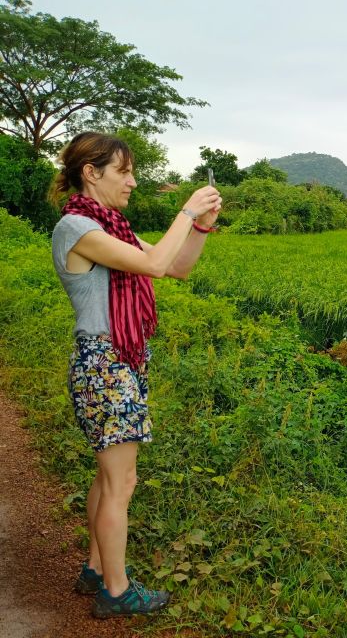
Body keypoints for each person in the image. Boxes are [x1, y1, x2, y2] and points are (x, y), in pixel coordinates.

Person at [50, 131, 221, 619]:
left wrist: (202, 227)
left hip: (120, 362)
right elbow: (152, 261)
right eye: (123, 171)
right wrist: (185, 212)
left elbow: (176, 267)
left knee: (111, 478)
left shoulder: (111, 230)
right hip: (104, 364)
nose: (133, 181)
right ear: (92, 172)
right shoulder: (78, 228)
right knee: (121, 482)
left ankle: (95, 568)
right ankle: (117, 591)